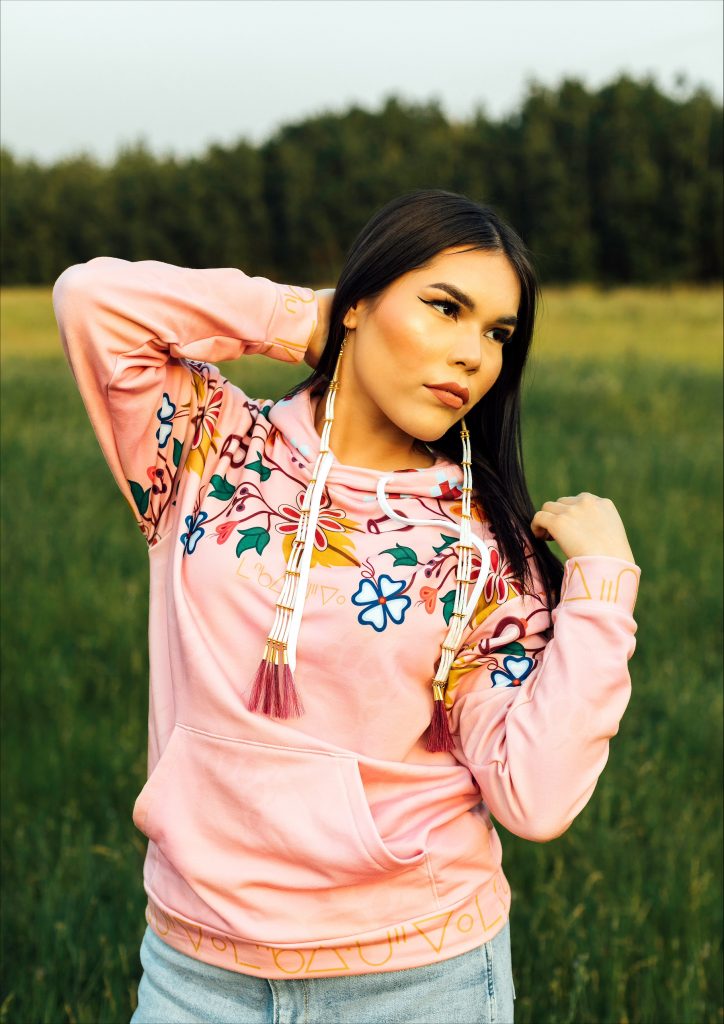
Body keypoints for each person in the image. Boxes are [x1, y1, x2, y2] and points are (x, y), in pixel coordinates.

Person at [52, 189, 641, 1024]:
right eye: (446, 308)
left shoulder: (484, 550)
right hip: (195, 973)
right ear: (359, 302)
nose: (472, 355)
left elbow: (536, 798)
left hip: (419, 978)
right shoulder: (207, 448)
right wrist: (305, 319)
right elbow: (93, 299)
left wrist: (603, 589)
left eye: (497, 334)